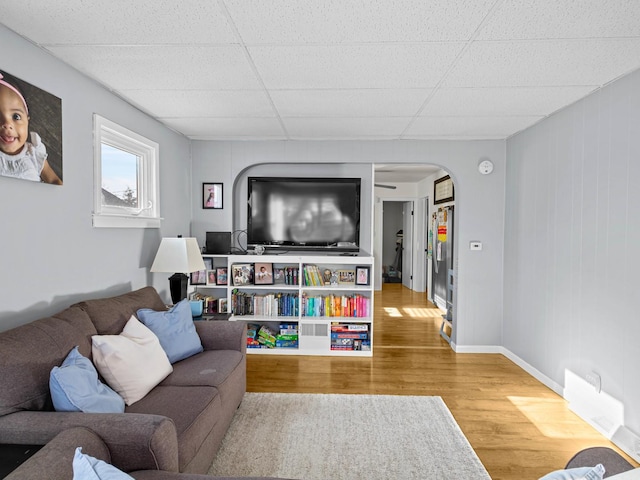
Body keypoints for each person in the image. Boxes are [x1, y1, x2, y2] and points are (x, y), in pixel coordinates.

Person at [0, 72, 62, 185]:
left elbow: (53, 180)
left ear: (27, 120)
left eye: (16, 116)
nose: (7, 124)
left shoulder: (34, 152)